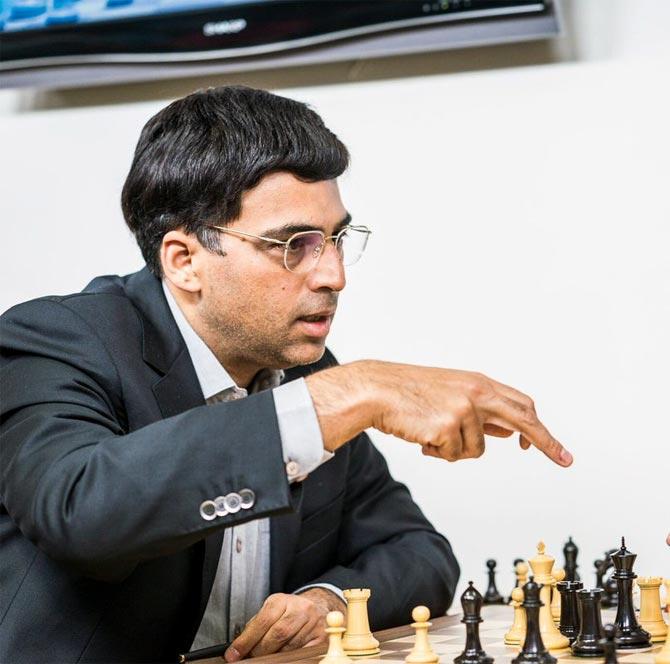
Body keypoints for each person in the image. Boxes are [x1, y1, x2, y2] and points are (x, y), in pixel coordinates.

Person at [0, 86, 572, 664]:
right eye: (295, 245)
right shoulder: (59, 340)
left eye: (336, 239)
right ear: (185, 261)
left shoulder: (309, 376)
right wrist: (345, 396)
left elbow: (419, 554)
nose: (334, 275)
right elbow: (78, 509)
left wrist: (327, 602)